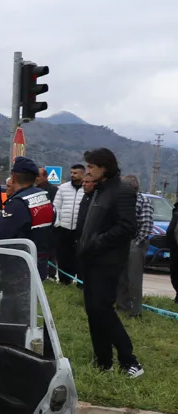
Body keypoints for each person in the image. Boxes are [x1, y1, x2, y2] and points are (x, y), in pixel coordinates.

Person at [76, 148, 142, 377]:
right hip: (91, 260)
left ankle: (129, 360)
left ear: (104, 167)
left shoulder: (122, 190)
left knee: (102, 309)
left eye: (91, 167)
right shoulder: (98, 190)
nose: (88, 171)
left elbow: (127, 227)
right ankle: (103, 361)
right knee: (93, 311)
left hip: (108, 261)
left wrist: (97, 242)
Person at [0, 157, 54, 323]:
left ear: (13, 177)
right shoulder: (43, 198)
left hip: (18, 270)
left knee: (15, 320)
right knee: (25, 312)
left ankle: (16, 346)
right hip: (39, 264)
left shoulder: (18, 203)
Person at [115, 175, 153, 318]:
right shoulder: (121, 201)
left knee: (133, 279)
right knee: (121, 277)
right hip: (121, 243)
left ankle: (135, 311)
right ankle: (121, 306)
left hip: (136, 242)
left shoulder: (143, 201)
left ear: (131, 187)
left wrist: (135, 245)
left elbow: (146, 225)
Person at [51, 164, 86, 284]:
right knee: (63, 257)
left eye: (75, 173)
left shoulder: (87, 188)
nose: (72, 175)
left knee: (79, 257)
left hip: (79, 230)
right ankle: (64, 281)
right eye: (71, 172)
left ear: (82, 174)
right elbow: (56, 207)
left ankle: (80, 284)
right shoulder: (63, 188)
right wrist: (57, 223)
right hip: (63, 229)